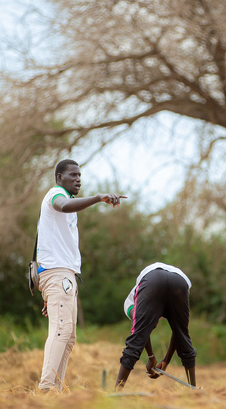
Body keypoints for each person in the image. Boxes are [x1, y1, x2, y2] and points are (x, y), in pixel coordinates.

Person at [36, 159, 125, 392]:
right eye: (72, 175)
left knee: (70, 335)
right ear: (59, 178)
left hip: (64, 276)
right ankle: (46, 389)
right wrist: (98, 198)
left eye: (80, 175)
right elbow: (63, 205)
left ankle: (55, 388)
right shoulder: (56, 194)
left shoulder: (70, 201)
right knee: (61, 330)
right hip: (57, 274)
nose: (78, 179)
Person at [114, 262, 197, 390]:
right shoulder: (131, 305)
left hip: (153, 279)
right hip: (180, 281)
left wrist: (155, 358)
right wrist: (157, 358)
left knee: (135, 341)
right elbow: (178, 333)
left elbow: (141, 331)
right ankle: (194, 390)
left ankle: (117, 391)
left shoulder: (129, 303)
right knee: (183, 335)